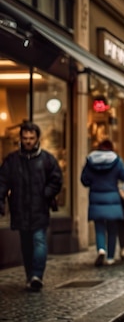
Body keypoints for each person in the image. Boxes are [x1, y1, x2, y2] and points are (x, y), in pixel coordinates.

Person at [0, 122, 63, 292]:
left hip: (39, 208)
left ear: (37, 139)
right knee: (26, 244)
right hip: (20, 208)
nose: (28, 141)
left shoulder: (47, 159)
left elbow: (56, 179)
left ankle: (37, 275)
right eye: (25, 138)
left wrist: (46, 193)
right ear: (20, 138)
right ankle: (30, 276)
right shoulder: (12, 160)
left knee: (39, 240)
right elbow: (3, 181)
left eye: (31, 138)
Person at [81, 140, 124, 267]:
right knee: (112, 228)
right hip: (112, 197)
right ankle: (110, 257)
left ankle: (101, 249)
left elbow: (84, 180)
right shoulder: (116, 160)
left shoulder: (90, 160)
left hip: (96, 197)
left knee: (99, 227)